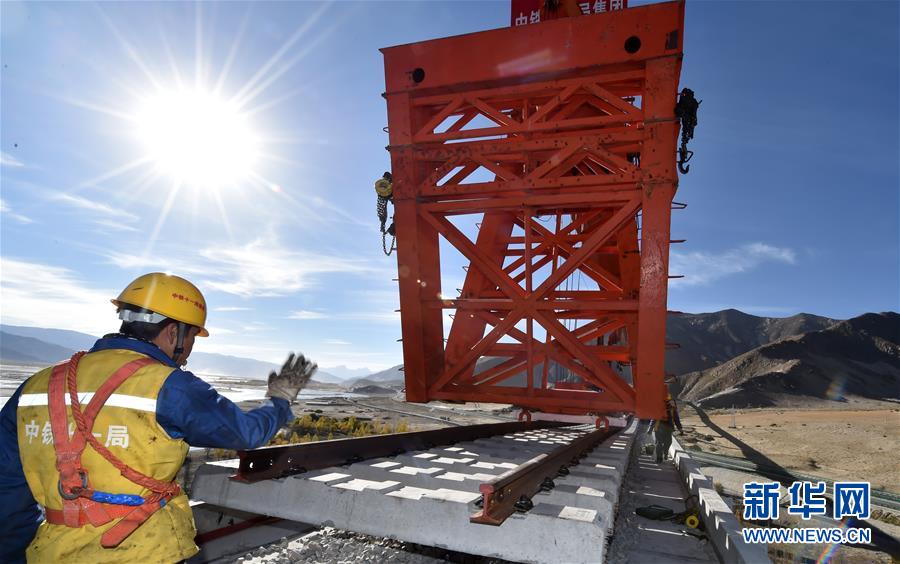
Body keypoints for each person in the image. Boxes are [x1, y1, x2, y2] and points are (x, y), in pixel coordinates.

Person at [0, 273, 317, 563]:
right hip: (145, 551)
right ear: (173, 332)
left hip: (51, 553)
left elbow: (8, 489)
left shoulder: (37, 385)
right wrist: (280, 399)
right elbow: (245, 432)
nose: (188, 350)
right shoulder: (170, 385)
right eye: (191, 338)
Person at [649, 392, 683, 463]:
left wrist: (680, 429)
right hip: (660, 427)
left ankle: (664, 452)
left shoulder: (672, 409)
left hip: (667, 428)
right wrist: (650, 428)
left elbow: (676, 420)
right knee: (661, 443)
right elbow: (654, 418)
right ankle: (659, 458)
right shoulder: (660, 408)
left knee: (667, 442)